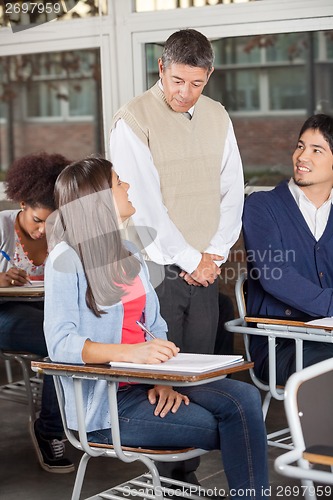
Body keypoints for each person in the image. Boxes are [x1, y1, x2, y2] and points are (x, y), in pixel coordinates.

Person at [43, 156, 269, 499]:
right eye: (119, 182)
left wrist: (162, 379)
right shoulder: (66, 258)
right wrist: (133, 354)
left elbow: (155, 325)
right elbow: (60, 343)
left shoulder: (130, 251)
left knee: (245, 399)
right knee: (226, 423)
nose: (129, 187)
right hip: (107, 404)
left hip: (148, 383)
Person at [109, 29, 244, 482]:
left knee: (198, 373)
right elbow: (144, 205)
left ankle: (183, 474)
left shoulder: (218, 116)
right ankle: (162, 477)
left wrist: (215, 254)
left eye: (197, 84)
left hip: (205, 269)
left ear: (209, 77)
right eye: (177, 81)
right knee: (161, 378)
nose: (185, 94)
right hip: (154, 270)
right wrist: (193, 260)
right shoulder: (132, 119)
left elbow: (232, 191)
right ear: (161, 68)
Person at [242, 113, 333, 386]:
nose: (303, 156)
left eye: (317, 150)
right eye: (301, 146)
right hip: (280, 345)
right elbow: (274, 275)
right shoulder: (261, 207)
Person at [0, 151, 74, 473]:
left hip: (46, 311)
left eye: (51, 221)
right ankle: (50, 431)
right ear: (21, 206)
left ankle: (93, 421)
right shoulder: (1, 228)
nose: (43, 230)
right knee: (56, 340)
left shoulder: (66, 234)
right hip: (5, 314)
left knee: (80, 333)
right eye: (37, 220)